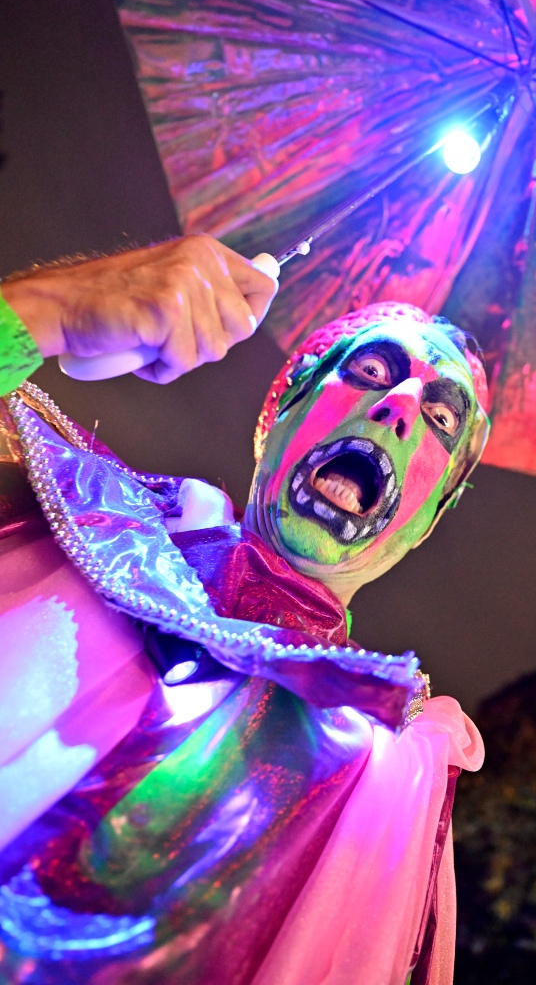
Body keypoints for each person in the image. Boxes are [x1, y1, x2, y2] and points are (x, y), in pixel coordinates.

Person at [0, 236, 486, 985]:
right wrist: (45, 312)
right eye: (367, 371)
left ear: (428, 519)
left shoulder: (391, 778)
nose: (395, 408)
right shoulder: (82, 518)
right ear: (279, 408)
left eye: (440, 421)